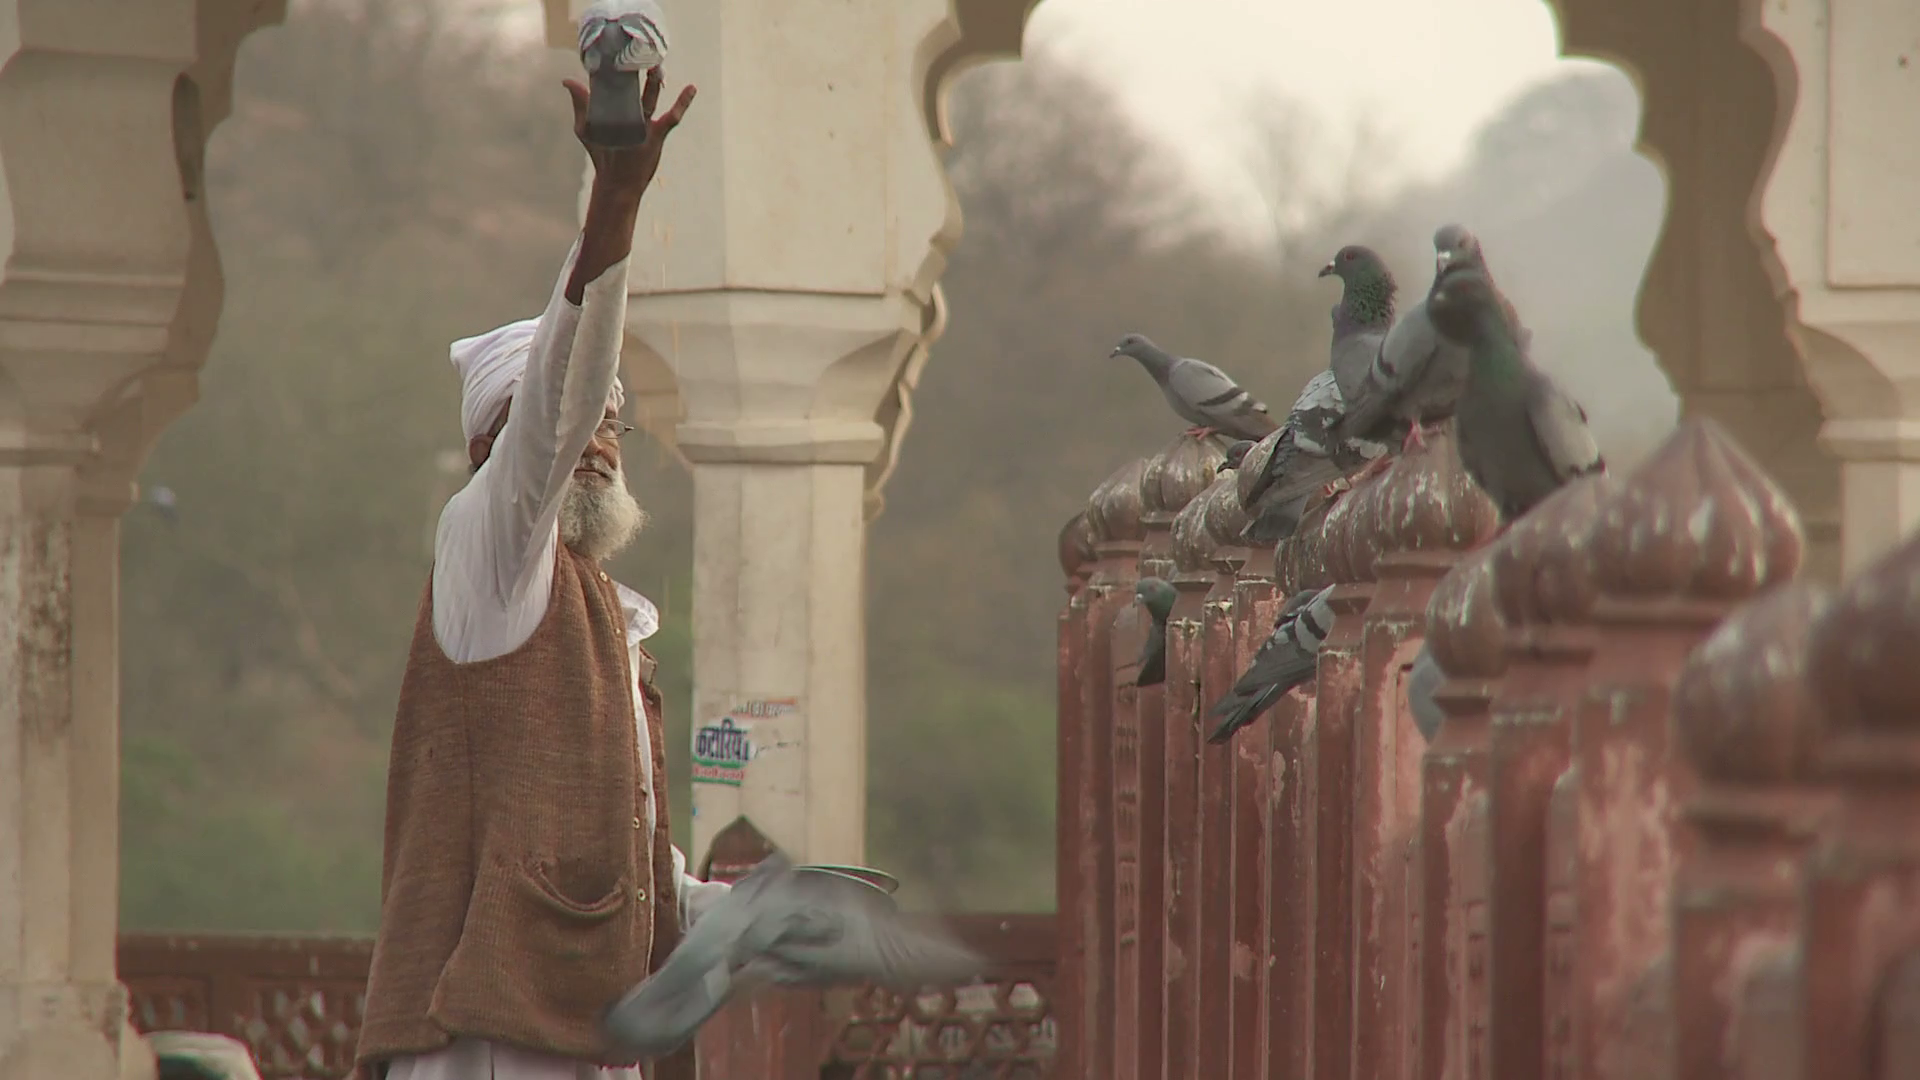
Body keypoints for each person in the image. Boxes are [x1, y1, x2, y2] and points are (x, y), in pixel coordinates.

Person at [353, 69, 725, 1080]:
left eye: (614, 423)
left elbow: (619, 853)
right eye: (576, 422)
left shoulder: (601, 613)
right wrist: (616, 204)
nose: (597, 439)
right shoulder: (488, 550)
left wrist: (752, 913)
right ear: (494, 450)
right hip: (484, 1041)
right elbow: (559, 396)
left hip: (586, 1035)